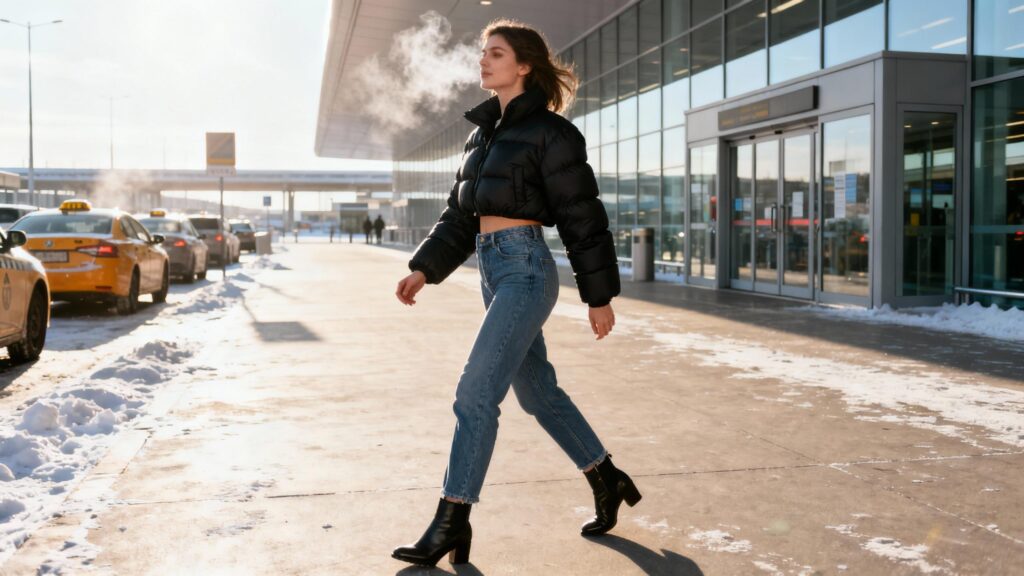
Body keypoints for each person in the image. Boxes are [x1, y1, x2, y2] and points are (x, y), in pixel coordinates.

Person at [392, 19, 640, 568]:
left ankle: (453, 518)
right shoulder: (481, 136)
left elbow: (582, 216)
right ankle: (607, 478)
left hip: (526, 269)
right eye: (483, 53)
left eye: (496, 53)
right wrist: (423, 269)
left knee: (475, 393)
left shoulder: (552, 134)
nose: (484, 61)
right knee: (538, 394)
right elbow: (460, 216)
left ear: (524, 65)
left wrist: (598, 296)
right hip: (492, 270)